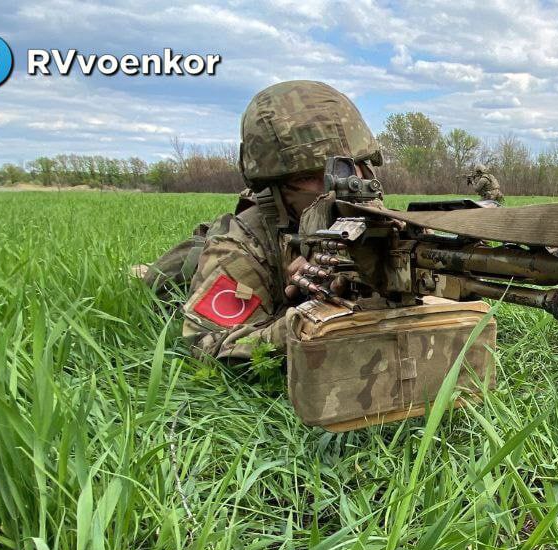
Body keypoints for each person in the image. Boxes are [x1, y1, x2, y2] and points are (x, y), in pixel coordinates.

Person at [138, 80, 383, 361]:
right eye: (306, 178)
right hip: (201, 270)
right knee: (167, 275)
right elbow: (209, 346)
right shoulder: (241, 245)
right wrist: (306, 318)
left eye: (344, 170)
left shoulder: (385, 225)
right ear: (274, 189)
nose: (329, 190)